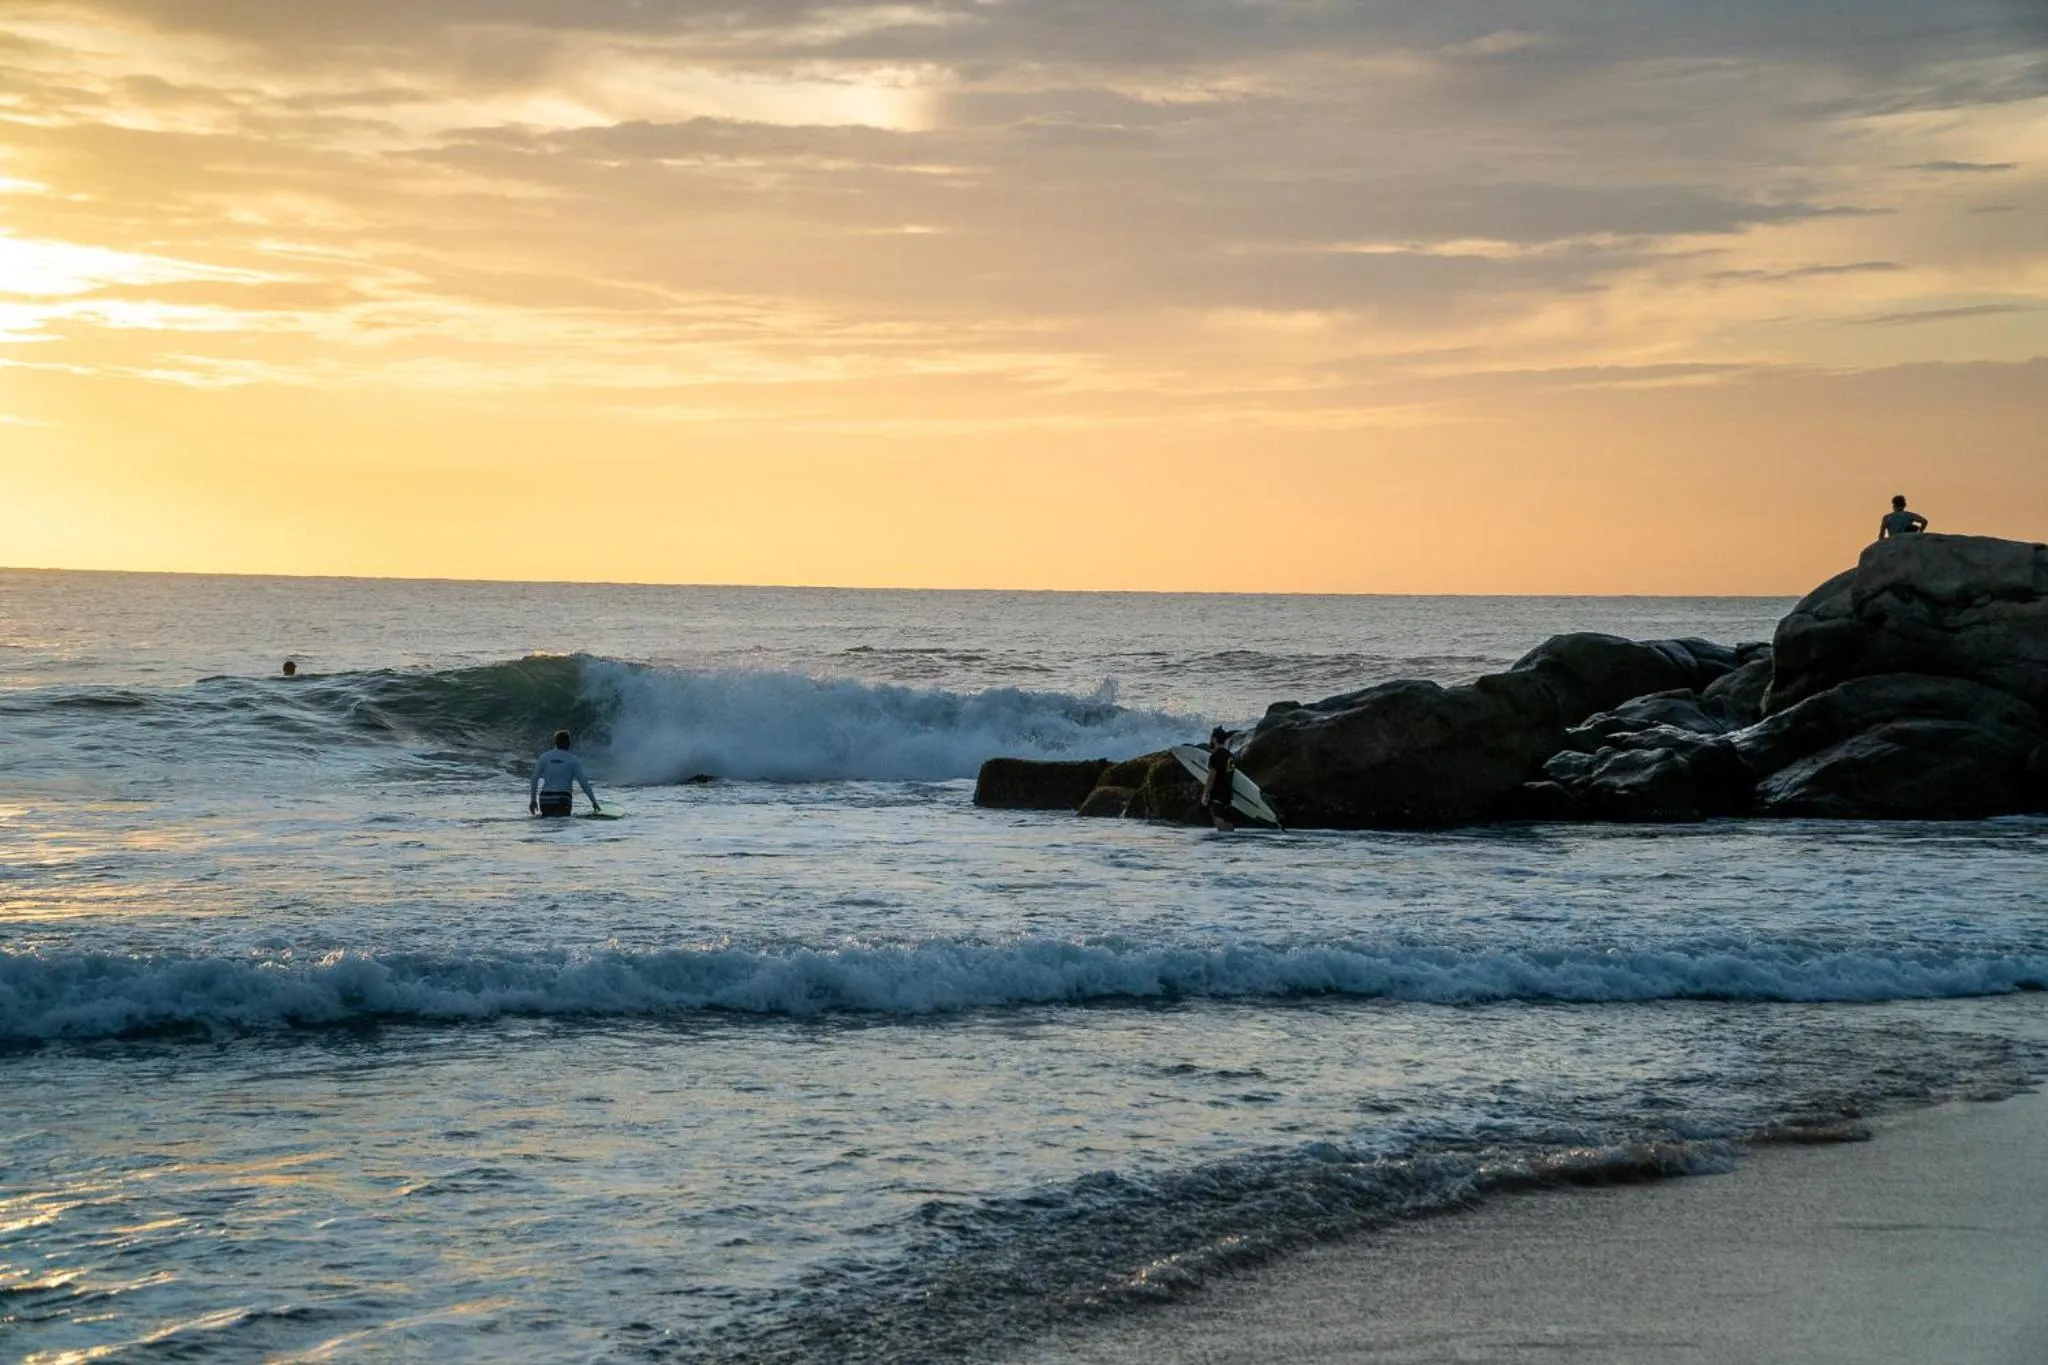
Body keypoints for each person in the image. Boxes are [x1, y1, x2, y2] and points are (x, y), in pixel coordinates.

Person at [530, 730, 600, 817]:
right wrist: (594, 802)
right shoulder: (573, 760)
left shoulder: (544, 757)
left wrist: (533, 800)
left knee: (546, 826)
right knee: (562, 826)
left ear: (556, 742)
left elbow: (534, 778)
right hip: (563, 798)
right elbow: (583, 782)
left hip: (546, 798)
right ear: (568, 743)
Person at [1201, 726, 1238, 832]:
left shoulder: (1215, 756)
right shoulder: (1230, 756)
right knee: (1229, 826)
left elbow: (1211, 777)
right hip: (1228, 796)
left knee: (1220, 825)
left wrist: (1205, 794)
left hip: (1217, 795)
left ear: (1214, 739)